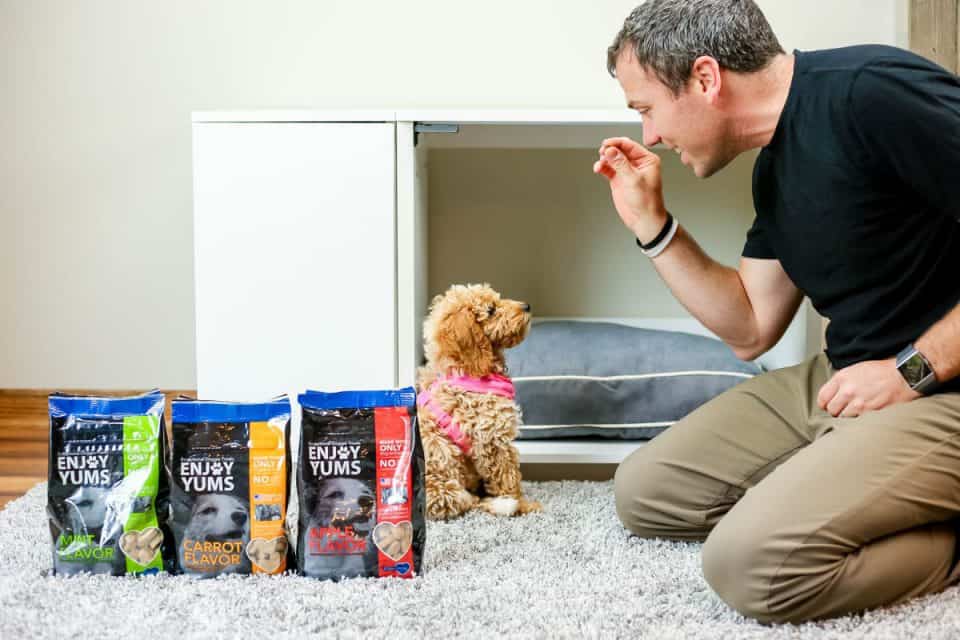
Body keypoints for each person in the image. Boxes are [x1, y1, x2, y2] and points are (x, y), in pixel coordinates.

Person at [595, 0, 960, 625]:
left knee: (750, 565)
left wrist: (910, 371)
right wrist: (653, 226)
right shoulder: (774, 167)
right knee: (647, 494)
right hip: (846, 381)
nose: (650, 135)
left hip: (937, 385)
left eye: (647, 108)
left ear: (705, 78)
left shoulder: (872, 93)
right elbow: (750, 327)